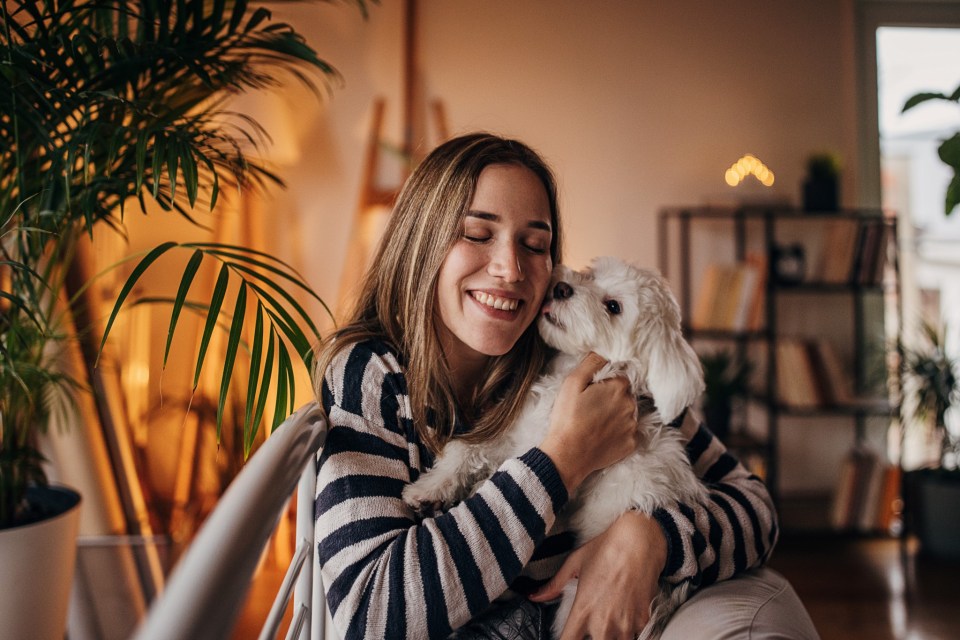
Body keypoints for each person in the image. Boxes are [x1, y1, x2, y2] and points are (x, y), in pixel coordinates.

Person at [313, 132, 818, 640]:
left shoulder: (591, 371)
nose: (511, 269)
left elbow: (756, 509)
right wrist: (564, 458)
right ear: (423, 242)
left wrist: (649, 538)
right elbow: (371, 615)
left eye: (535, 244)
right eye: (477, 233)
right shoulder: (372, 374)